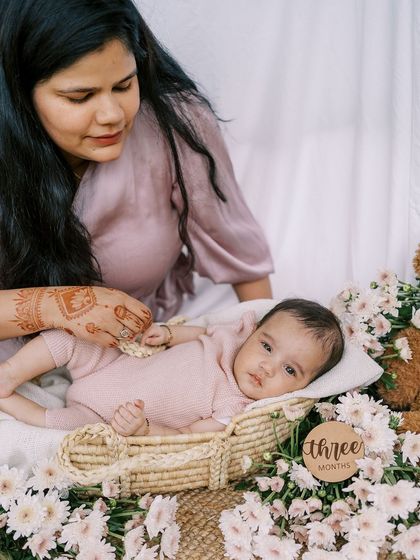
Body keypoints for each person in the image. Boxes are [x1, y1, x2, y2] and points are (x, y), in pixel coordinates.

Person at [0, 0, 273, 360]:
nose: (112, 115)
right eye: (80, 97)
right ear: (19, 94)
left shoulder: (174, 124)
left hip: (132, 364)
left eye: (124, 85)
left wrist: (272, 355)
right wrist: (60, 305)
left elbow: (240, 258)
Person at [0, 299, 344, 436]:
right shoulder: (231, 337)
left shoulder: (234, 408)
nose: (267, 367)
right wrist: (167, 333)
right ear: (253, 332)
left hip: (105, 416)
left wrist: (144, 430)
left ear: (305, 387)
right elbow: (200, 332)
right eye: (267, 347)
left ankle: (8, 400)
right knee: (69, 339)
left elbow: (186, 438)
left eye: (290, 371)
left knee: (67, 431)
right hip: (112, 365)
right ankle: (9, 373)